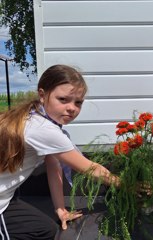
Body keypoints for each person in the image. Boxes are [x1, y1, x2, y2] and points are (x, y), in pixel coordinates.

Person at [0, 65, 120, 240]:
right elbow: (91, 169)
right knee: (36, 232)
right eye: (63, 99)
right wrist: (130, 186)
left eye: (78, 102)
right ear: (42, 95)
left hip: (8, 195)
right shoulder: (43, 129)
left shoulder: (35, 116)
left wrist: (60, 209)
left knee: (46, 229)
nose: (72, 108)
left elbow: (53, 166)